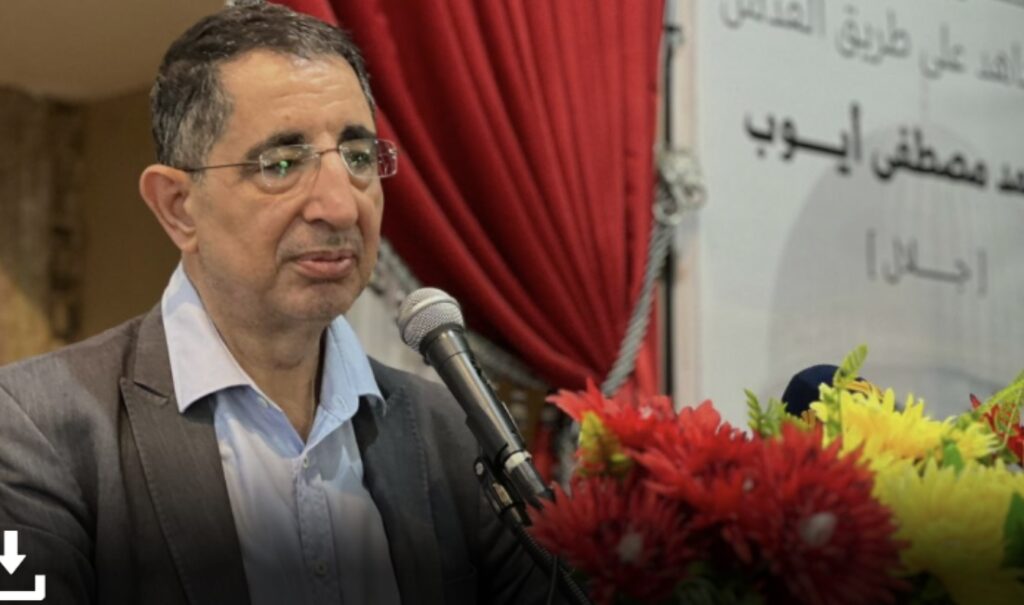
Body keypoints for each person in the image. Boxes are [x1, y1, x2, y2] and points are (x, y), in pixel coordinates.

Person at [0, 4, 562, 603]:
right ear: (178, 207)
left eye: (358, 157)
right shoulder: (37, 426)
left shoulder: (449, 430)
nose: (340, 207)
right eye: (283, 164)